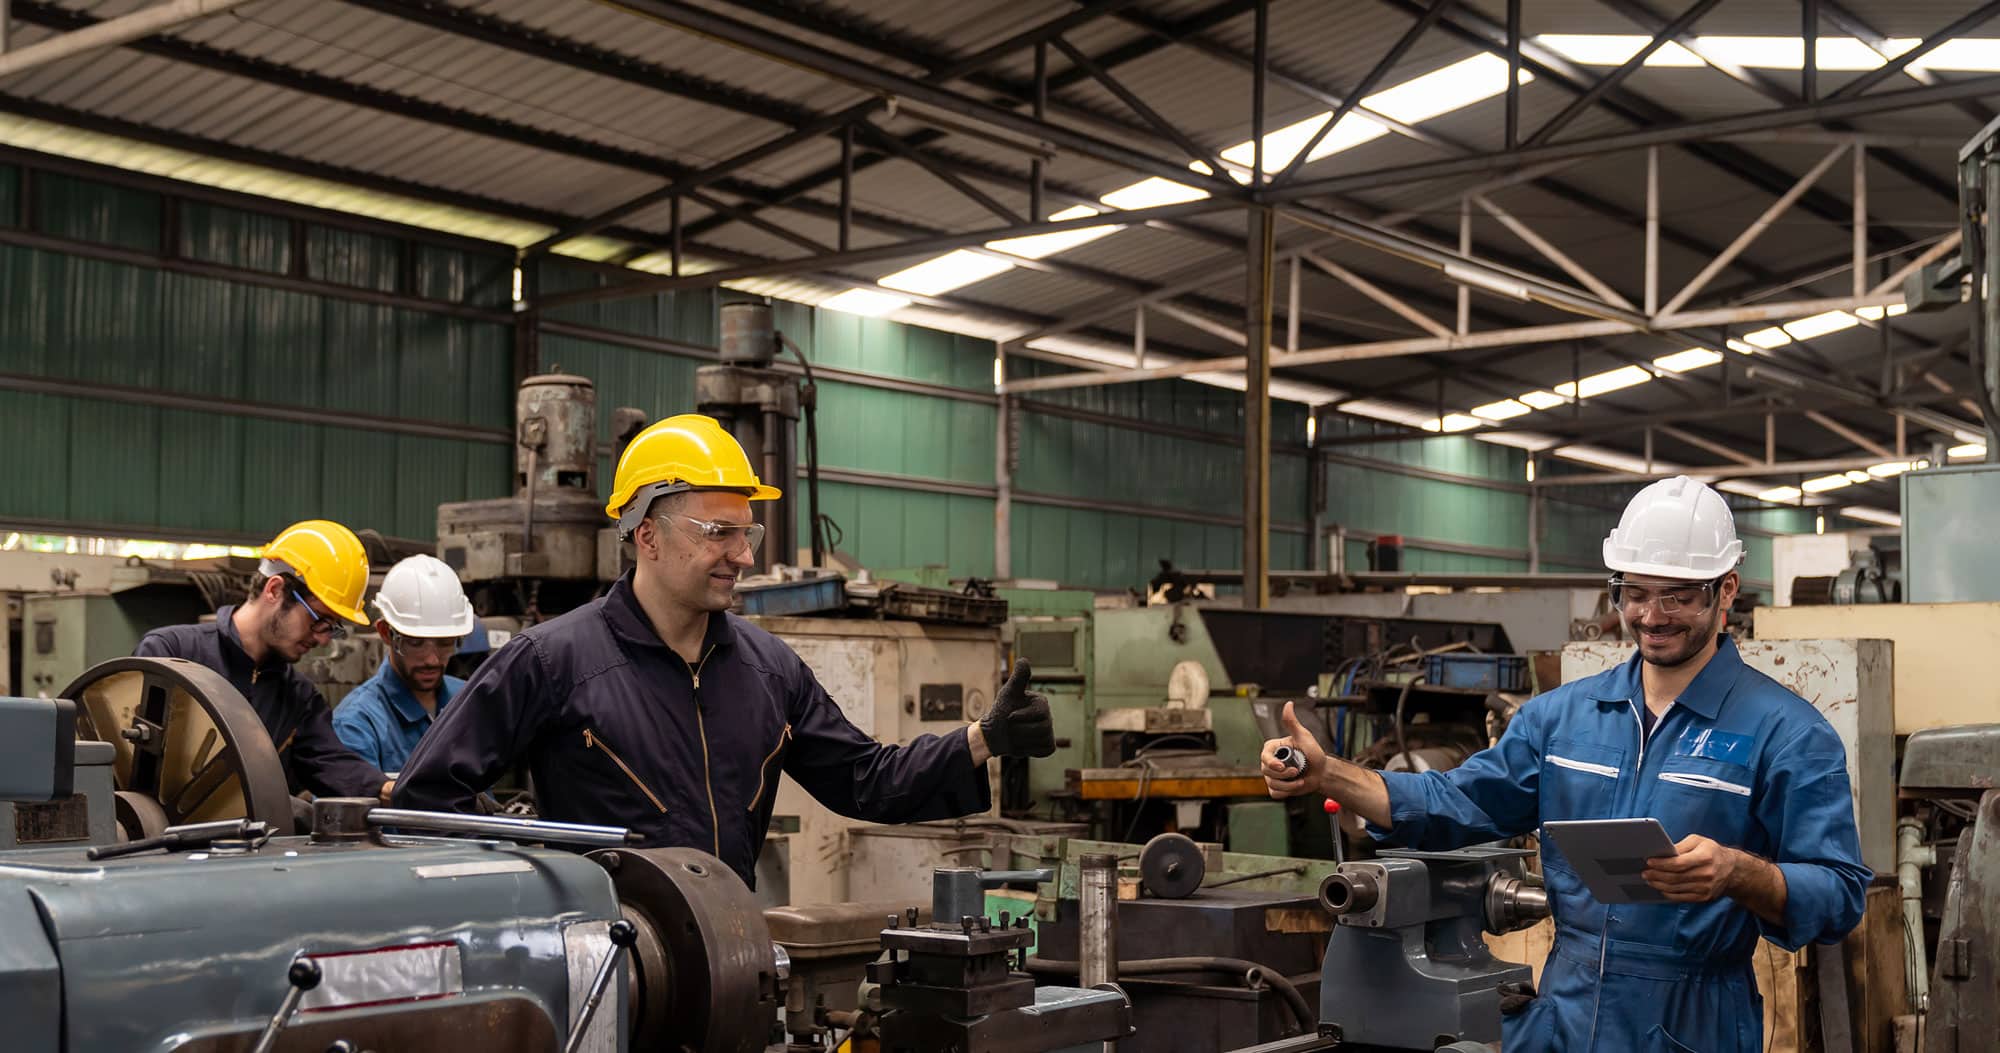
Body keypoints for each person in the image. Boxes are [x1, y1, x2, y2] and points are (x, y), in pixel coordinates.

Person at [1261, 475, 1869, 1051]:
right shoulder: (1562, 718)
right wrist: (1328, 774)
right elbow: (1457, 802)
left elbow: (1840, 894)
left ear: (1727, 590)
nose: (1652, 617)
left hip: (1692, 1019)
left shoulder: (1786, 732)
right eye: (1635, 593)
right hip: (1564, 1013)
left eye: (1677, 597)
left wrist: (1742, 874)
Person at [392, 413, 1056, 887]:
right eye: (718, 532)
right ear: (647, 534)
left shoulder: (771, 673)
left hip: (723, 966)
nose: (743, 555)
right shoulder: (551, 661)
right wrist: (542, 869)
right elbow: (424, 797)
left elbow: (865, 780)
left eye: (747, 532)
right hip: (604, 972)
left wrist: (980, 739)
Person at [136, 520, 392, 803]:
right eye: (319, 620)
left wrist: (389, 789)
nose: (323, 640)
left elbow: (331, 763)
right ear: (274, 589)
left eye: (332, 627)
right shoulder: (172, 652)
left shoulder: (299, 698)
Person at [333, 554, 475, 775]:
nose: (432, 660)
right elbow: (350, 806)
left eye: (445, 643)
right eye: (416, 643)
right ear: (385, 633)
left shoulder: (467, 700)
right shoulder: (357, 722)